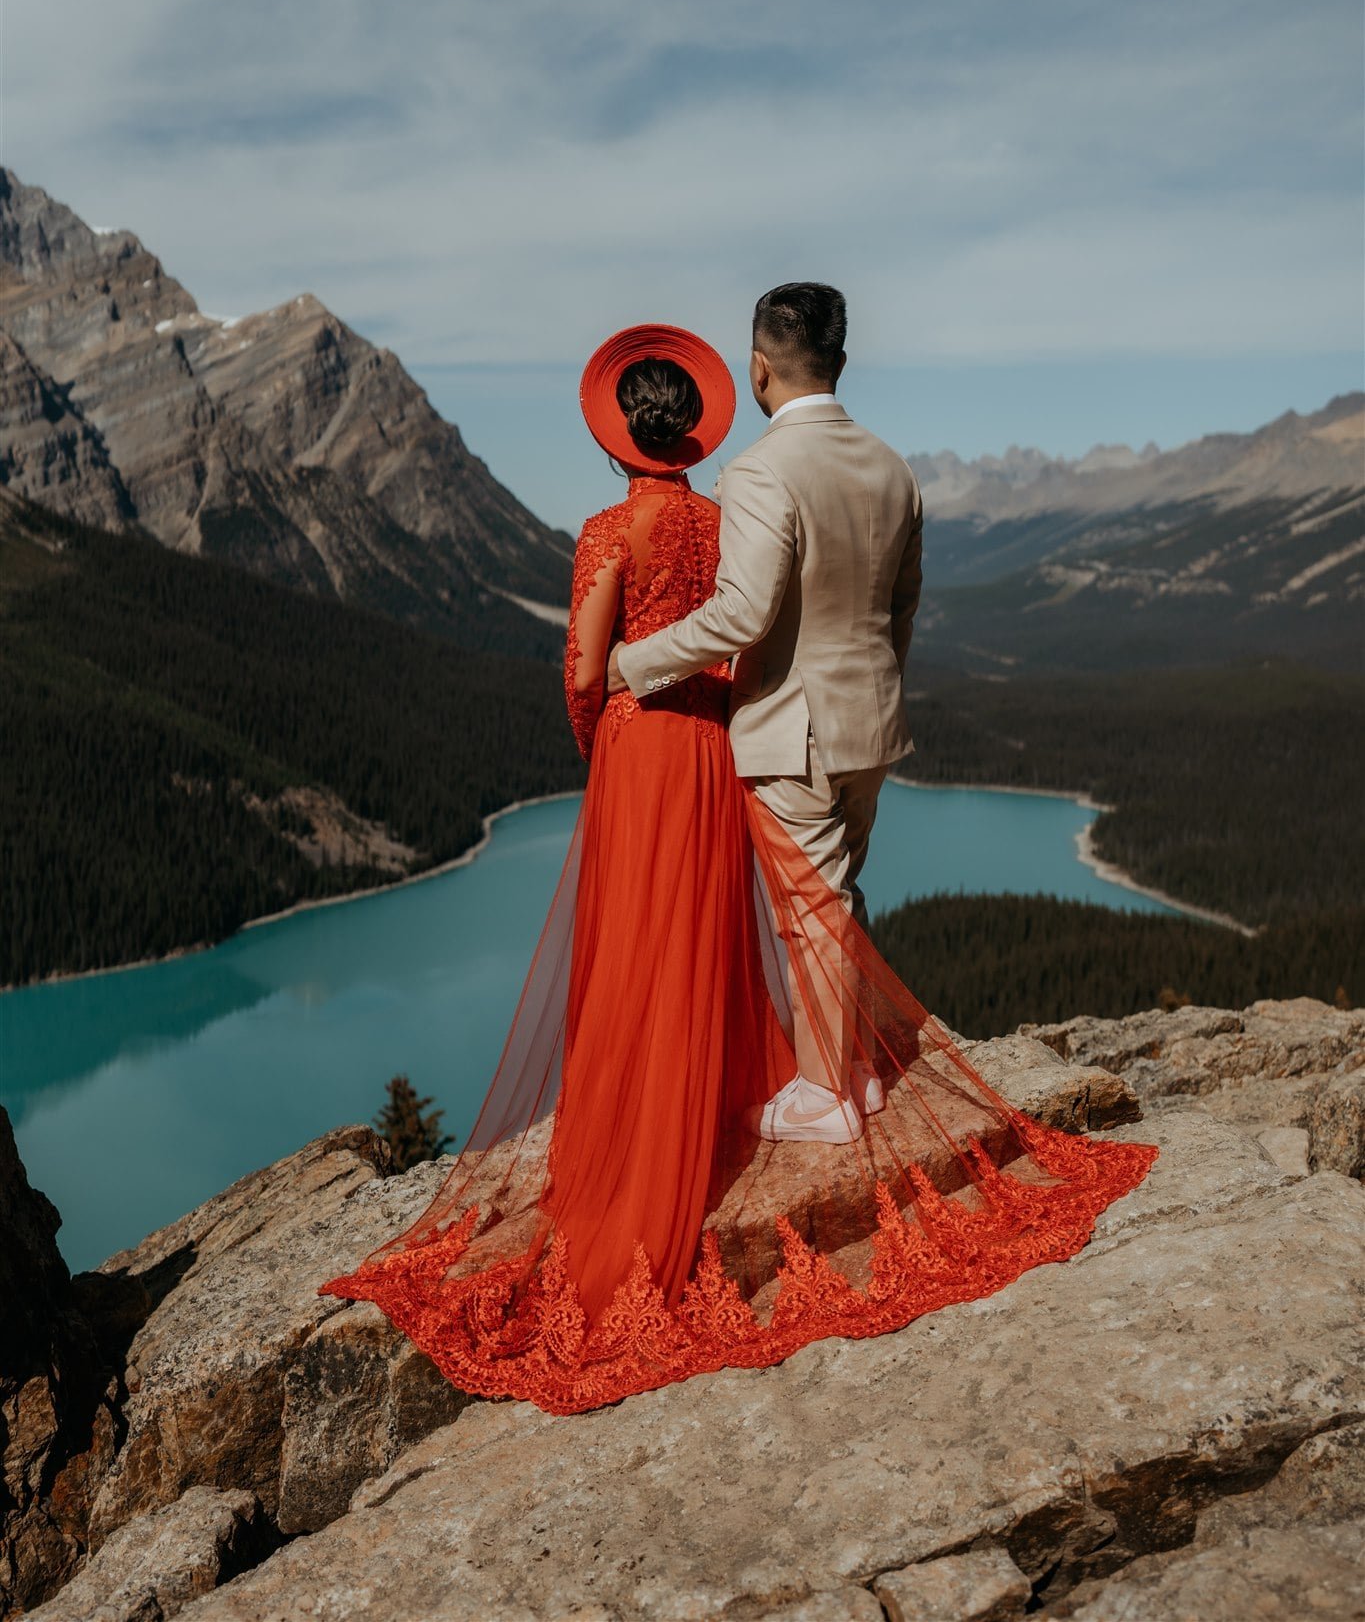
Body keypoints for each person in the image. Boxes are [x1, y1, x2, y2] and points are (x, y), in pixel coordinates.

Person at [318, 317, 1157, 1417]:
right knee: (729, 919)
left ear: (619, 430)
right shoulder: (765, 500)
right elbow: (841, 616)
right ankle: (769, 1076)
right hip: (749, 735)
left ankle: (723, 1108)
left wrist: (612, 717)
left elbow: (589, 666)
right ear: (701, 419)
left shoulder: (612, 526)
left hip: (652, 738)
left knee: (662, 932)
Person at [610, 283, 923, 1143]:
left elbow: (739, 616)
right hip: (872, 724)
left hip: (794, 731)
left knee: (810, 915)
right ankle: (854, 1074)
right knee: (841, 899)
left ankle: (825, 1094)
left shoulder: (758, 471)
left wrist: (628, 665)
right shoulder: (892, 466)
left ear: (757, 368)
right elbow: (901, 608)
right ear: (841, 362)